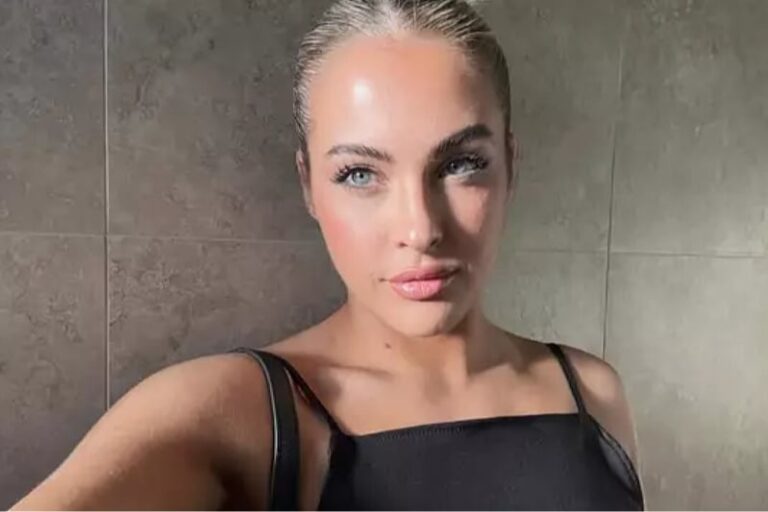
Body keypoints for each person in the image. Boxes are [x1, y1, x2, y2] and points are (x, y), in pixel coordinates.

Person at [12, 0, 645, 509]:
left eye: (460, 164)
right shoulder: (237, 414)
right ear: (308, 185)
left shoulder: (592, 393)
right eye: (360, 174)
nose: (420, 228)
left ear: (511, 165)